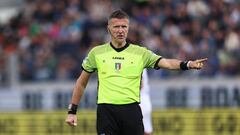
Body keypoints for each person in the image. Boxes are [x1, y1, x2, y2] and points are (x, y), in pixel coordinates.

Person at [65, 9, 207, 135]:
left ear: (128, 28)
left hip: (131, 111)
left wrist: (188, 64)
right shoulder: (96, 53)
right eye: (116, 27)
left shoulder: (140, 53)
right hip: (106, 112)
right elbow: (81, 82)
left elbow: (168, 63)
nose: (120, 30)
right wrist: (72, 111)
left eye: (124, 26)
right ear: (108, 29)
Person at [139, 69, 153, 135]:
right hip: (145, 100)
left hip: (140, 101)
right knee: (147, 129)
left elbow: (141, 84)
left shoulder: (137, 62)